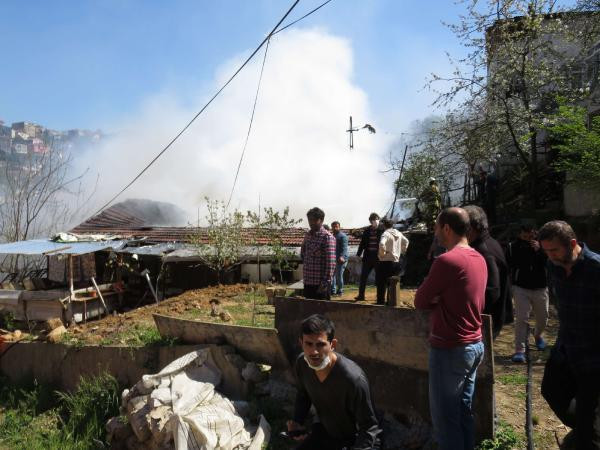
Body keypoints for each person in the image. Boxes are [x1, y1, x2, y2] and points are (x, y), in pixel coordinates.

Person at [414, 207, 487, 450]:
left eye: (436, 227)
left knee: (445, 422)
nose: (435, 232)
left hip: (450, 348)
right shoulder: (479, 258)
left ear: (446, 228)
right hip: (474, 345)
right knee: (463, 413)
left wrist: (438, 298)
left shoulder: (447, 260)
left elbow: (420, 301)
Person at [538, 220, 600, 448]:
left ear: (572, 243)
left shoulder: (595, 269)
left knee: (586, 420)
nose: (550, 255)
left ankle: (587, 434)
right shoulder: (552, 266)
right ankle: (588, 428)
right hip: (565, 348)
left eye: (554, 250)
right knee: (551, 391)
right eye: (546, 251)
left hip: (593, 358)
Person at [286, 314, 382, 449]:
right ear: (301, 343)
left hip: (354, 440)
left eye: (320, 344)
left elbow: (370, 428)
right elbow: (304, 394)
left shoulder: (353, 379)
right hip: (325, 431)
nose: (313, 351)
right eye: (308, 344)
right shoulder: (302, 364)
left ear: (332, 345)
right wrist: (298, 421)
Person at [464, 205, 511, 339]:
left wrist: (468, 309)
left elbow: (492, 290)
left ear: (470, 228)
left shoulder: (484, 251)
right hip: (487, 319)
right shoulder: (488, 243)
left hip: (485, 320)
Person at [506, 224, 548, 363]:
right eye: (525, 233)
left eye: (531, 232)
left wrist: (540, 250)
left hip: (540, 287)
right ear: (520, 233)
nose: (528, 235)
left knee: (543, 317)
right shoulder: (513, 247)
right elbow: (510, 265)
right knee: (521, 319)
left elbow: (549, 263)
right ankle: (520, 350)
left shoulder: (543, 245)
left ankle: (537, 335)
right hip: (520, 288)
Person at [300, 207, 336, 301]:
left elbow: (331, 263)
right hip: (308, 282)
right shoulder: (308, 236)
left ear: (321, 220)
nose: (311, 222)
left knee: (321, 314)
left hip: (320, 286)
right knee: (309, 313)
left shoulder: (327, 238)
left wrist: (325, 283)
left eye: (314, 220)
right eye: (309, 220)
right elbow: (304, 254)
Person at [376, 218, 409, 305]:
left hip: (385, 261)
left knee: (381, 282)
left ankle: (380, 301)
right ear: (392, 225)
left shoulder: (385, 233)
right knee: (392, 283)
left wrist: (382, 254)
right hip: (396, 262)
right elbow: (406, 241)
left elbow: (382, 244)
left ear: (384, 225)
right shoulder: (398, 233)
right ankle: (391, 301)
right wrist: (401, 251)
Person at [355, 213, 383, 301]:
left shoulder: (382, 230)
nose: (375, 221)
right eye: (373, 219)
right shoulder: (367, 231)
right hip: (368, 257)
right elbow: (362, 243)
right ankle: (361, 295)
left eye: (377, 219)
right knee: (363, 277)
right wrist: (358, 254)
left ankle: (379, 297)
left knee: (379, 278)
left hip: (379, 257)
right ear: (370, 221)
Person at [331, 221, 349, 296]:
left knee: (339, 275)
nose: (335, 228)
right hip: (333, 259)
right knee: (332, 275)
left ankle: (340, 291)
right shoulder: (332, 236)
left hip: (341, 259)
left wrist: (342, 256)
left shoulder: (343, 236)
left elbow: (344, 248)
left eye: (336, 226)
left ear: (339, 227)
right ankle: (333, 290)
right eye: (333, 227)